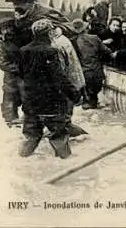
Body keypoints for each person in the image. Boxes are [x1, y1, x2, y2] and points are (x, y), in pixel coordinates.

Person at [18, 19, 81, 158]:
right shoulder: (51, 51)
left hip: (30, 103)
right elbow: (59, 77)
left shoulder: (23, 51)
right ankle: (66, 168)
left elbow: (21, 75)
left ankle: (20, 164)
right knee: (59, 137)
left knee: (31, 137)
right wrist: (74, 93)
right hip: (51, 103)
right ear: (49, 33)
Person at [49, 25, 88, 137]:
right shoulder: (62, 40)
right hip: (72, 82)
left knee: (63, 116)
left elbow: (60, 69)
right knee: (66, 114)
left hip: (67, 83)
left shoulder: (58, 44)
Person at [70, 19, 117, 110]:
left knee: (86, 104)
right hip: (97, 73)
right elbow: (108, 52)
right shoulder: (94, 38)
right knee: (93, 101)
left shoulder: (73, 41)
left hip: (83, 75)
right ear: (85, 28)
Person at [4, 0, 74, 48]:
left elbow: (69, 25)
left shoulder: (46, 12)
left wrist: (60, 29)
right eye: (14, 4)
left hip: (49, 49)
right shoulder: (18, 15)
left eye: (19, 3)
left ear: (29, 3)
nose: (16, 7)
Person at [0, 18, 23, 127]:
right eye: (4, 29)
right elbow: (2, 63)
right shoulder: (0, 42)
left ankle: (30, 123)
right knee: (10, 96)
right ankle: (10, 121)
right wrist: (18, 68)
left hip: (25, 74)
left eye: (9, 27)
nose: (7, 31)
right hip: (11, 74)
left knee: (27, 95)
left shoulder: (21, 38)